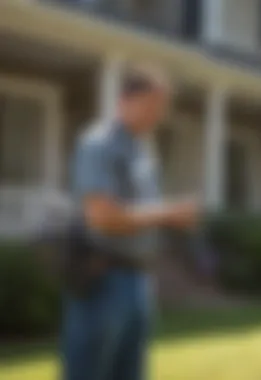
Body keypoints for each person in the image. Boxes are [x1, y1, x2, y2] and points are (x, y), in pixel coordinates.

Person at [63, 65, 199, 380]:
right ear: (125, 101)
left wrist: (169, 218)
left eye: (162, 108)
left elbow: (139, 212)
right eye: (152, 106)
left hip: (137, 281)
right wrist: (168, 213)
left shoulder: (142, 151)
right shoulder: (99, 144)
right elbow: (102, 217)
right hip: (102, 279)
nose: (158, 116)